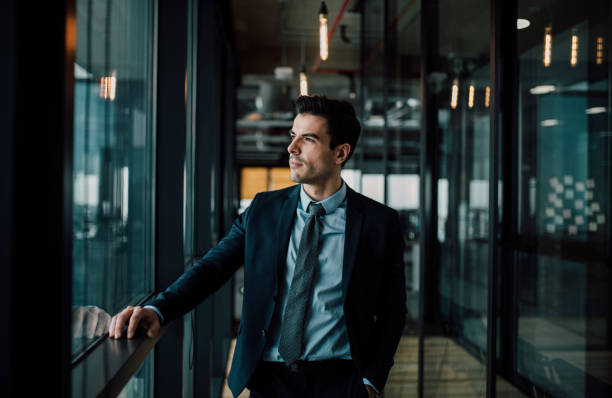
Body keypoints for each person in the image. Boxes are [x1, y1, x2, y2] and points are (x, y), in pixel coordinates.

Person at [109, 95, 406, 398]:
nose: (292, 148)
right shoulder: (264, 209)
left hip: (342, 382)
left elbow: (393, 312)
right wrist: (159, 309)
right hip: (269, 380)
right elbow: (212, 268)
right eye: (293, 136)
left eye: (309, 139)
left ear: (340, 152)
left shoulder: (380, 224)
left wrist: (372, 381)